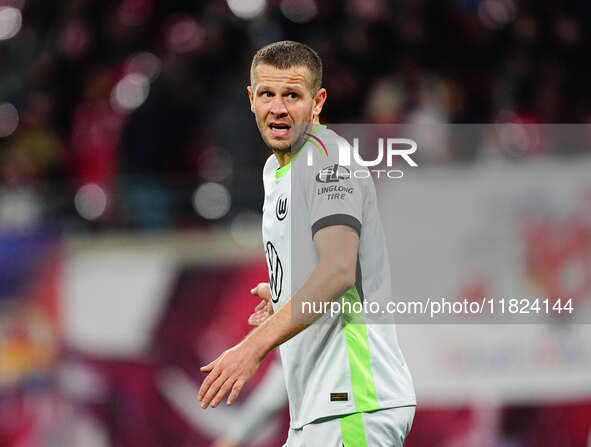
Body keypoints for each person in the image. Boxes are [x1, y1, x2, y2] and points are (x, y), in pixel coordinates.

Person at [199, 41, 416, 447]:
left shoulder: (328, 159)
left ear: (317, 102)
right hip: (319, 411)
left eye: (292, 95)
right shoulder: (277, 170)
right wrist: (282, 297)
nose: (277, 108)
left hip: (353, 405)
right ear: (251, 99)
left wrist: (253, 348)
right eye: (267, 94)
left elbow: (337, 271)